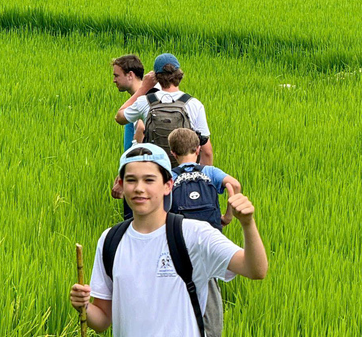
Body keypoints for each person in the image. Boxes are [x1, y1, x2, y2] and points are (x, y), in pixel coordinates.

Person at [69, 144, 267, 337]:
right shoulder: (110, 239)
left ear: (168, 185)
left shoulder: (194, 234)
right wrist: (84, 305)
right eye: (131, 180)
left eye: (149, 180)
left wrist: (248, 224)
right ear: (120, 185)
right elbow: (103, 321)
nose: (139, 188)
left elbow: (255, 270)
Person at [168, 128, 242, 337]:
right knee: (209, 289)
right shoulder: (209, 172)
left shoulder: (171, 177)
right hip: (210, 242)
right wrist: (228, 216)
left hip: (180, 242)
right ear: (198, 149)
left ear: (173, 153)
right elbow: (234, 184)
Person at [115, 53, 213, 166]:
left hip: (156, 173)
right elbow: (207, 152)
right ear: (179, 75)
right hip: (184, 173)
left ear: (156, 77)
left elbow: (119, 117)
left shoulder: (145, 101)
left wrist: (143, 88)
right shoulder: (194, 104)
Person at [111, 54, 149, 220]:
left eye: (116, 75)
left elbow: (141, 129)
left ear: (130, 75)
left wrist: (124, 172)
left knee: (133, 221)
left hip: (137, 170)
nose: (114, 80)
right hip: (140, 169)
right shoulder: (145, 97)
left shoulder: (142, 100)